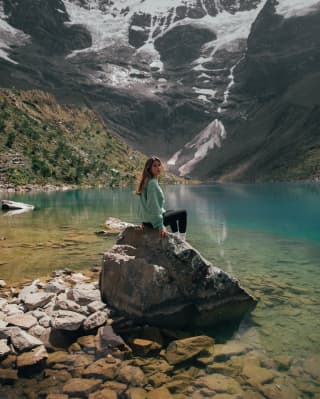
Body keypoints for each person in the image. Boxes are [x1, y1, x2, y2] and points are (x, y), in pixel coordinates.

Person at [136, 156, 187, 240]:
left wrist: (144, 221)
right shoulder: (152, 183)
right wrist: (160, 226)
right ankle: (182, 240)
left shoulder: (147, 180)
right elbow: (153, 206)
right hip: (153, 222)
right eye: (154, 166)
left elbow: (143, 205)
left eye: (159, 165)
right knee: (183, 213)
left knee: (172, 212)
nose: (158, 168)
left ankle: (176, 237)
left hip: (148, 221)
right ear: (149, 168)